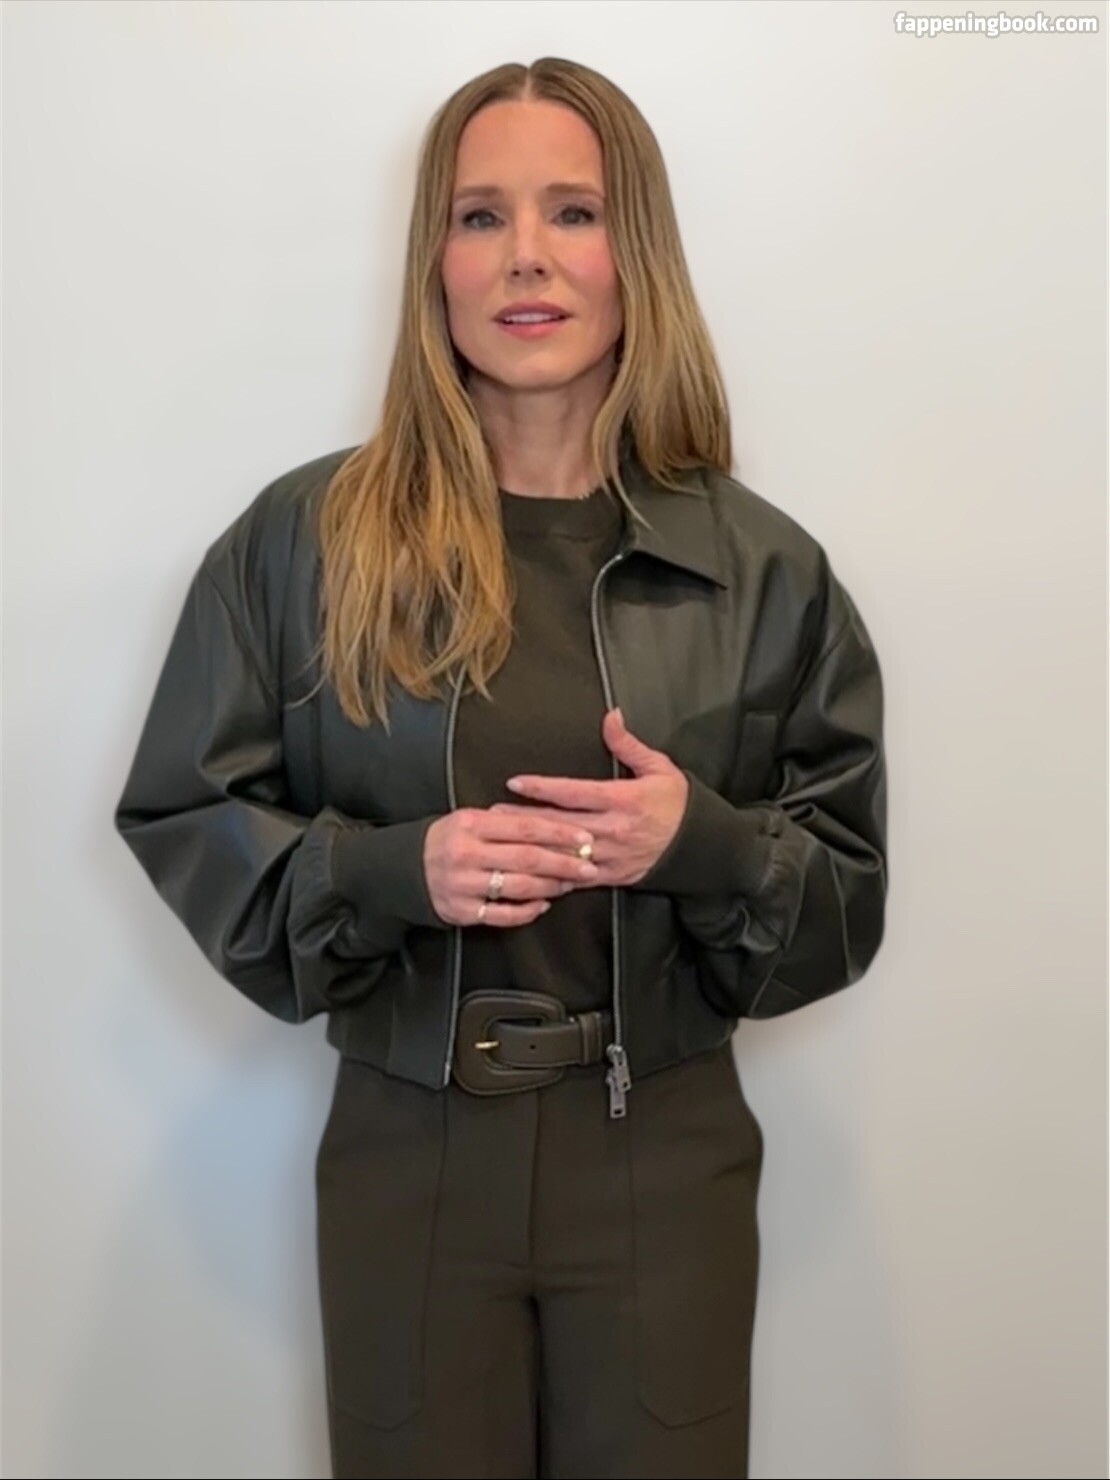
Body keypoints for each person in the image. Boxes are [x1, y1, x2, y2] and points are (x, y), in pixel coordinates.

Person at [113, 55, 888, 1480]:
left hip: (662, 1158)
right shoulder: (304, 544)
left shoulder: (765, 572)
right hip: (407, 1161)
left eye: (572, 212)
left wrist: (700, 843)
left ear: (635, 252)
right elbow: (185, 811)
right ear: (435, 260)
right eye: (480, 216)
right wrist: (386, 870)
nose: (526, 255)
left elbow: (847, 904)